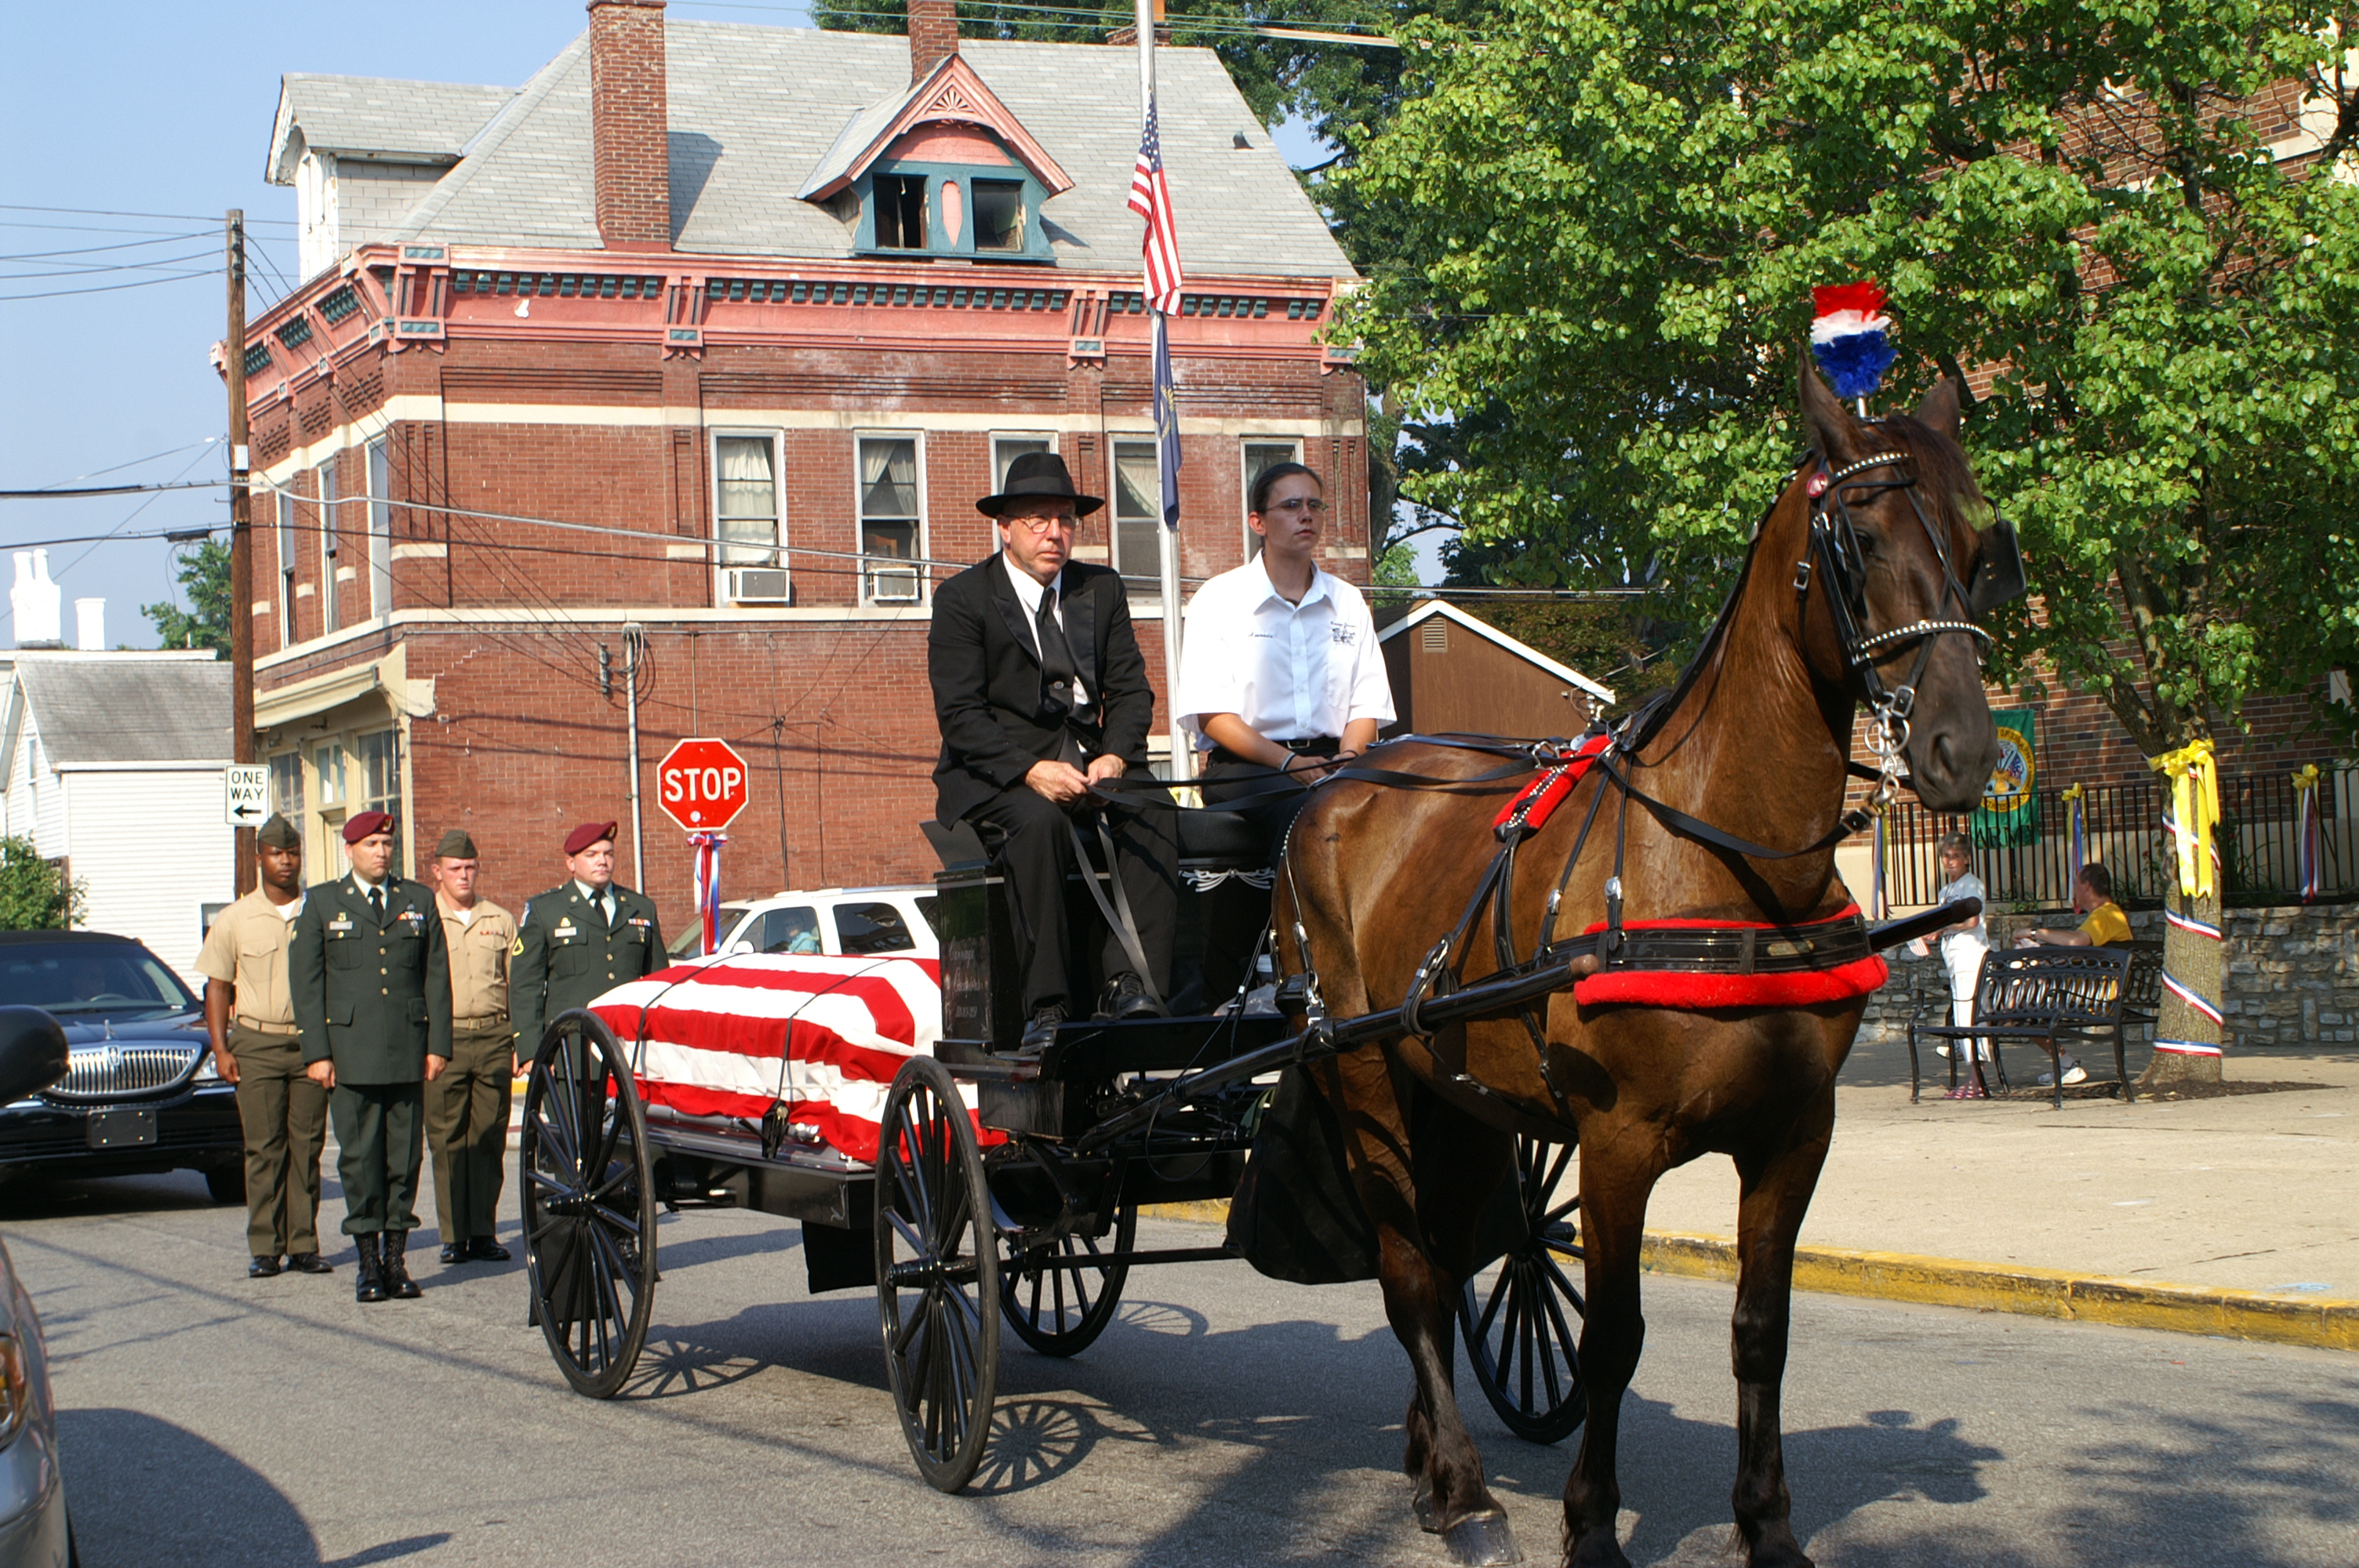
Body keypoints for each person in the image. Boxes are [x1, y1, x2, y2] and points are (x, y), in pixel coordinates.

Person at [929, 450, 1180, 1044]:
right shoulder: (963, 598)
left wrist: (1116, 756)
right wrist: (1031, 771)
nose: (1054, 533)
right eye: (1039, 519)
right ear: (1006, 527)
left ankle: (1130, 986)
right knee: (1039, 824)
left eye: (1065, 520)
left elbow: (1132, 690)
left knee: (1156, 810)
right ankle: (1049, 1006)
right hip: (1000, 773)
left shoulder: (1102, 589)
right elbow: (960, 715)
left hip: (1094, 761)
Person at [1175, 460, 1396, 862]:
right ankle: (1297, 927)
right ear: (1257, 523)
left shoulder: (1348, 601)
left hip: (1334, 761)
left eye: (1315, 504)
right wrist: (1289, 762)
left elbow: (1366, 707)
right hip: (1248, 768)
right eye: (1292, 505)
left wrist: (1347, 762)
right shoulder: (1218, 599)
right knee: (1310, 814)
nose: (1306, 514)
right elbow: (1213, 716)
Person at [289, 811, 451, 1303]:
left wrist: (437, 1045)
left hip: (406, 1049)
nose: (381, 852)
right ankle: (367, 1264)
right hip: (351, 1053)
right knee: (360, 1161)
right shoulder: (322, 902)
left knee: (403, 1160)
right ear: (350, 849)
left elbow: (436, 977)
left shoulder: (418, 900)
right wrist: (317, 1052)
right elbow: (308, 983)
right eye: (371, 844)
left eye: (386, 843)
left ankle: (397, 1261)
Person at [195, 813, 333, 1279]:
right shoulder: (235, 919)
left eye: (293, 853)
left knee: (307, 1145)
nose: (287, 862)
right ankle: (265, 1247)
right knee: (264, 1148)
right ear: (260, 859)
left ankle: (303, 1244)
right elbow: (217, 987)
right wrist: (222, 1048)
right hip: (255, 1042)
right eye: (277, 853)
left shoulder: (319, 912)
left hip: (309, 1042)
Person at [423, 829, 519, 1267]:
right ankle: (453, 1234)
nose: (464, 876)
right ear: (437, 871)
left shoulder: (499, 919)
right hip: (446, 1038)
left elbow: (513, 981)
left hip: (494, 1036)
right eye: (455, 869)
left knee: (487, 1137)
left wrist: (517, 1040)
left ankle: (483, 1230)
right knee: (448, 1141)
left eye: (470, 868)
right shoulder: (425, 918)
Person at [509, 821, 666, 1058]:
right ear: (571, 863)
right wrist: (532, 1052)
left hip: (630, 1048)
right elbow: (525, 986)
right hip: (570, 1049)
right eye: (591, 854)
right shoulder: (547, 910)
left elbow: (658, 980)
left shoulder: (640, 907)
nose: (602, 861)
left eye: (608, 854)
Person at [2012, 861, 2132, 1086]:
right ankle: (2066, 1065)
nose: (2074, 891)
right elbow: (2083, 954)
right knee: (2018, 1005)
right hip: (2094, 989)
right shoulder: (2108, 916)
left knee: (2016, 1007)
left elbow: (2077, 941)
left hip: (2093, 995)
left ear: (2087, 886)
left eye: (2075, 885)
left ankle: (1973, 1040)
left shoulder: (2105, 915)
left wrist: (2035, 932)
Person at [1908, 833, 1991, 1099]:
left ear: (1967, 858)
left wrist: (1942, 928)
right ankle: (1973, 1078)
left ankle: (1976, 1082)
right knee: (1962, 1017)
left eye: (1956, 856)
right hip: (1955, 960)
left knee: (1969, 1018)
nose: (1950, 861)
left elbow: (1972, 922)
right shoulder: (1946, 893)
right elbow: (1940, 925)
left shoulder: (1971, 885)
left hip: (1970, 957)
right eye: (1946, 856)